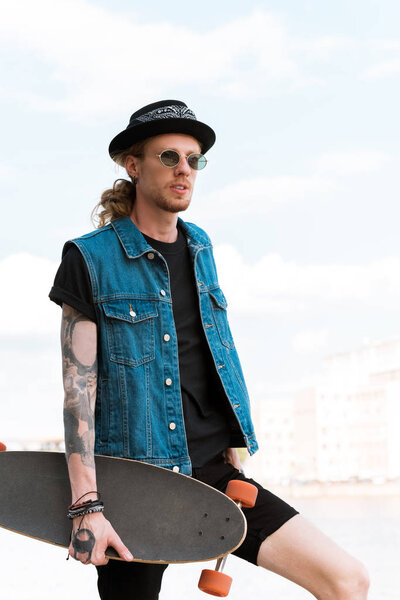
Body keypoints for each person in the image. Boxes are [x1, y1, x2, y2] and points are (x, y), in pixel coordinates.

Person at [49, 99, 370, 599]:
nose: (185, 170)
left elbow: (208, 352)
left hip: (217, 475)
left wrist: (232, 442)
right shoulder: (89, 259)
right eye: (169, 157)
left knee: (347, 581)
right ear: (133, 166)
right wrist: (87, 506)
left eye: (194, 159)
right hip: (136, 482)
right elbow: (77, 393)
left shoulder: (201, 247)